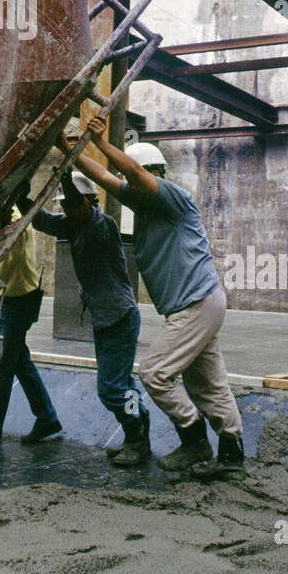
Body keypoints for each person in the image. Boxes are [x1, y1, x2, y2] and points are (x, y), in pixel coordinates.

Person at [68, 117, 245, 481]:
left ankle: (194, 440)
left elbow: (128, 172)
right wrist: (64, 149)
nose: (133, 184)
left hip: (196, 304)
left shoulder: (174, 199)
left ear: (156, 173)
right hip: (198, 305)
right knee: (207, 385)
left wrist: (102, 142)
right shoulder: (144, 209)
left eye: (141, 176)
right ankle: (231, 457)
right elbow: (104, 178)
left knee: (154, 372)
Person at [20, 156, 152, 467]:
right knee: (124, 385)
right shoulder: (72, 225)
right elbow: (40, 219)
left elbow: (79, 208)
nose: (65, 209)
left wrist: (65, 176)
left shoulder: (101, 224)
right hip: (107, 319)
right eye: (64, 206)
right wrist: (18, 196)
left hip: (119, 317)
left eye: (69, 204)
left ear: (90, 202)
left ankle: (136, 436)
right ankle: (139, 433)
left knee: (111, 390)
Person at [0, 189, 62, 446]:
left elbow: (5, 250)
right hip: (10, 295)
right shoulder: (10, 219)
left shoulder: (14, 221)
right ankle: (46, 417)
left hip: (17, 299)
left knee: (5, 364)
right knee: (20, 361)